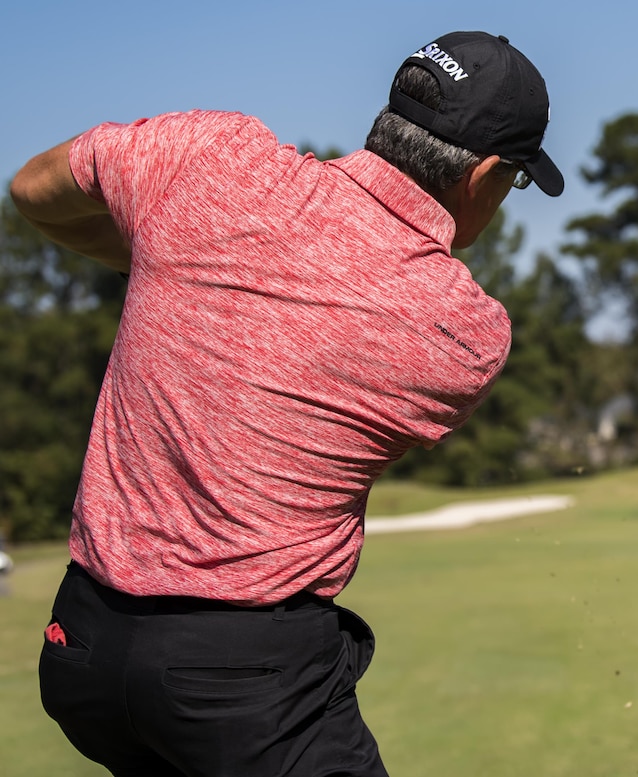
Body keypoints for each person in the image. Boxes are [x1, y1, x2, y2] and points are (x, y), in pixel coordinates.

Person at [9, 30, 562, 777]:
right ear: (485, 175)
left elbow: (32, 188)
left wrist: (161, 244)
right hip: (245, 689)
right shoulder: (464, 331)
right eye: (513, 183)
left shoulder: (210, 154)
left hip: (82, 649)